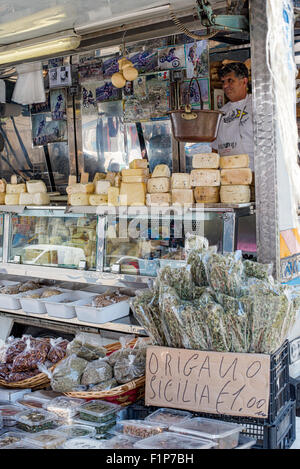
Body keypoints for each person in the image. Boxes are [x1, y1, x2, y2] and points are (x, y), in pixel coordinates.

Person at [213, 62, 254, 170]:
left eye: (230, 81)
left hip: (252, 174)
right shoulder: (221, 113)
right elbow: (214, 148)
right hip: (227, 178)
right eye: (223, 82)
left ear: (244, 81)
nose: (225, 86)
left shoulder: (256, 105)